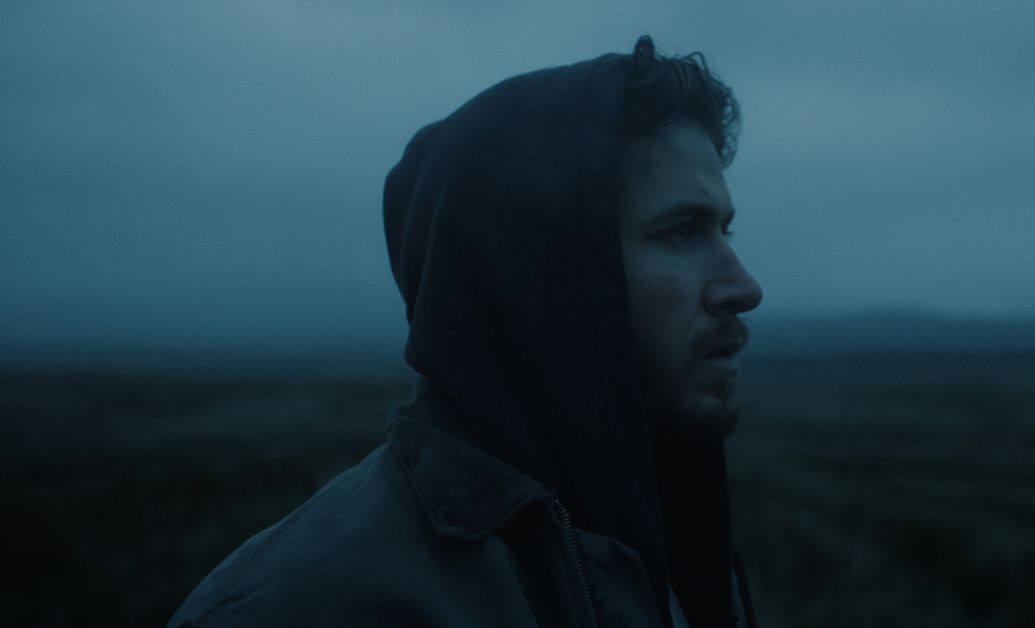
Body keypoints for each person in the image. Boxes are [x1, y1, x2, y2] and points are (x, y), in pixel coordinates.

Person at [168, 35, 762, 628]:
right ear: (534, 272)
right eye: (681, 232)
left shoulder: (682, 547)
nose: (744, 287)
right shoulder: (294, 608)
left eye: (725, 231)